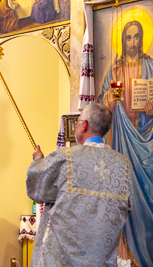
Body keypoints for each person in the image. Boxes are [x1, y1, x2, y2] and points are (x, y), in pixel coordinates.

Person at [26, 103, 133, 266]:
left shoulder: (66, 158)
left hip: (64, 261)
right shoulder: (123, 165)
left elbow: (38, 190)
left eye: (77, 122)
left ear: (84, 125)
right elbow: (128, 206)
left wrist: (38, 160)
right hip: (100, 260)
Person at [99, 20, 153, 136]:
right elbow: (103, 108)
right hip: (121, 132)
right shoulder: (114, 70)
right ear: (124, 41)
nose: (132, 43)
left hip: (146, 129)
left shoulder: (151, 66)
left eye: (136, 37)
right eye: (128, 38)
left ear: (141, 39)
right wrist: (114, 81)